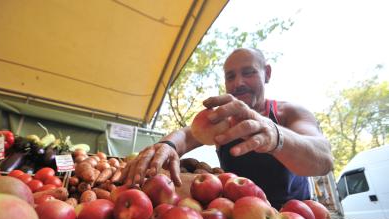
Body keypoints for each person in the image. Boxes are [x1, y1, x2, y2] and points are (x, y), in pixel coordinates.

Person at [120, 47, 334, 209]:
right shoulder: (223, 117)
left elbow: (324, 158)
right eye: (230, 76)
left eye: (248, 72)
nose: (238, 83)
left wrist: (275, 135)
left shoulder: (288, 113)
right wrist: (167, 145)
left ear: (266, 73)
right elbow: (186, 136)